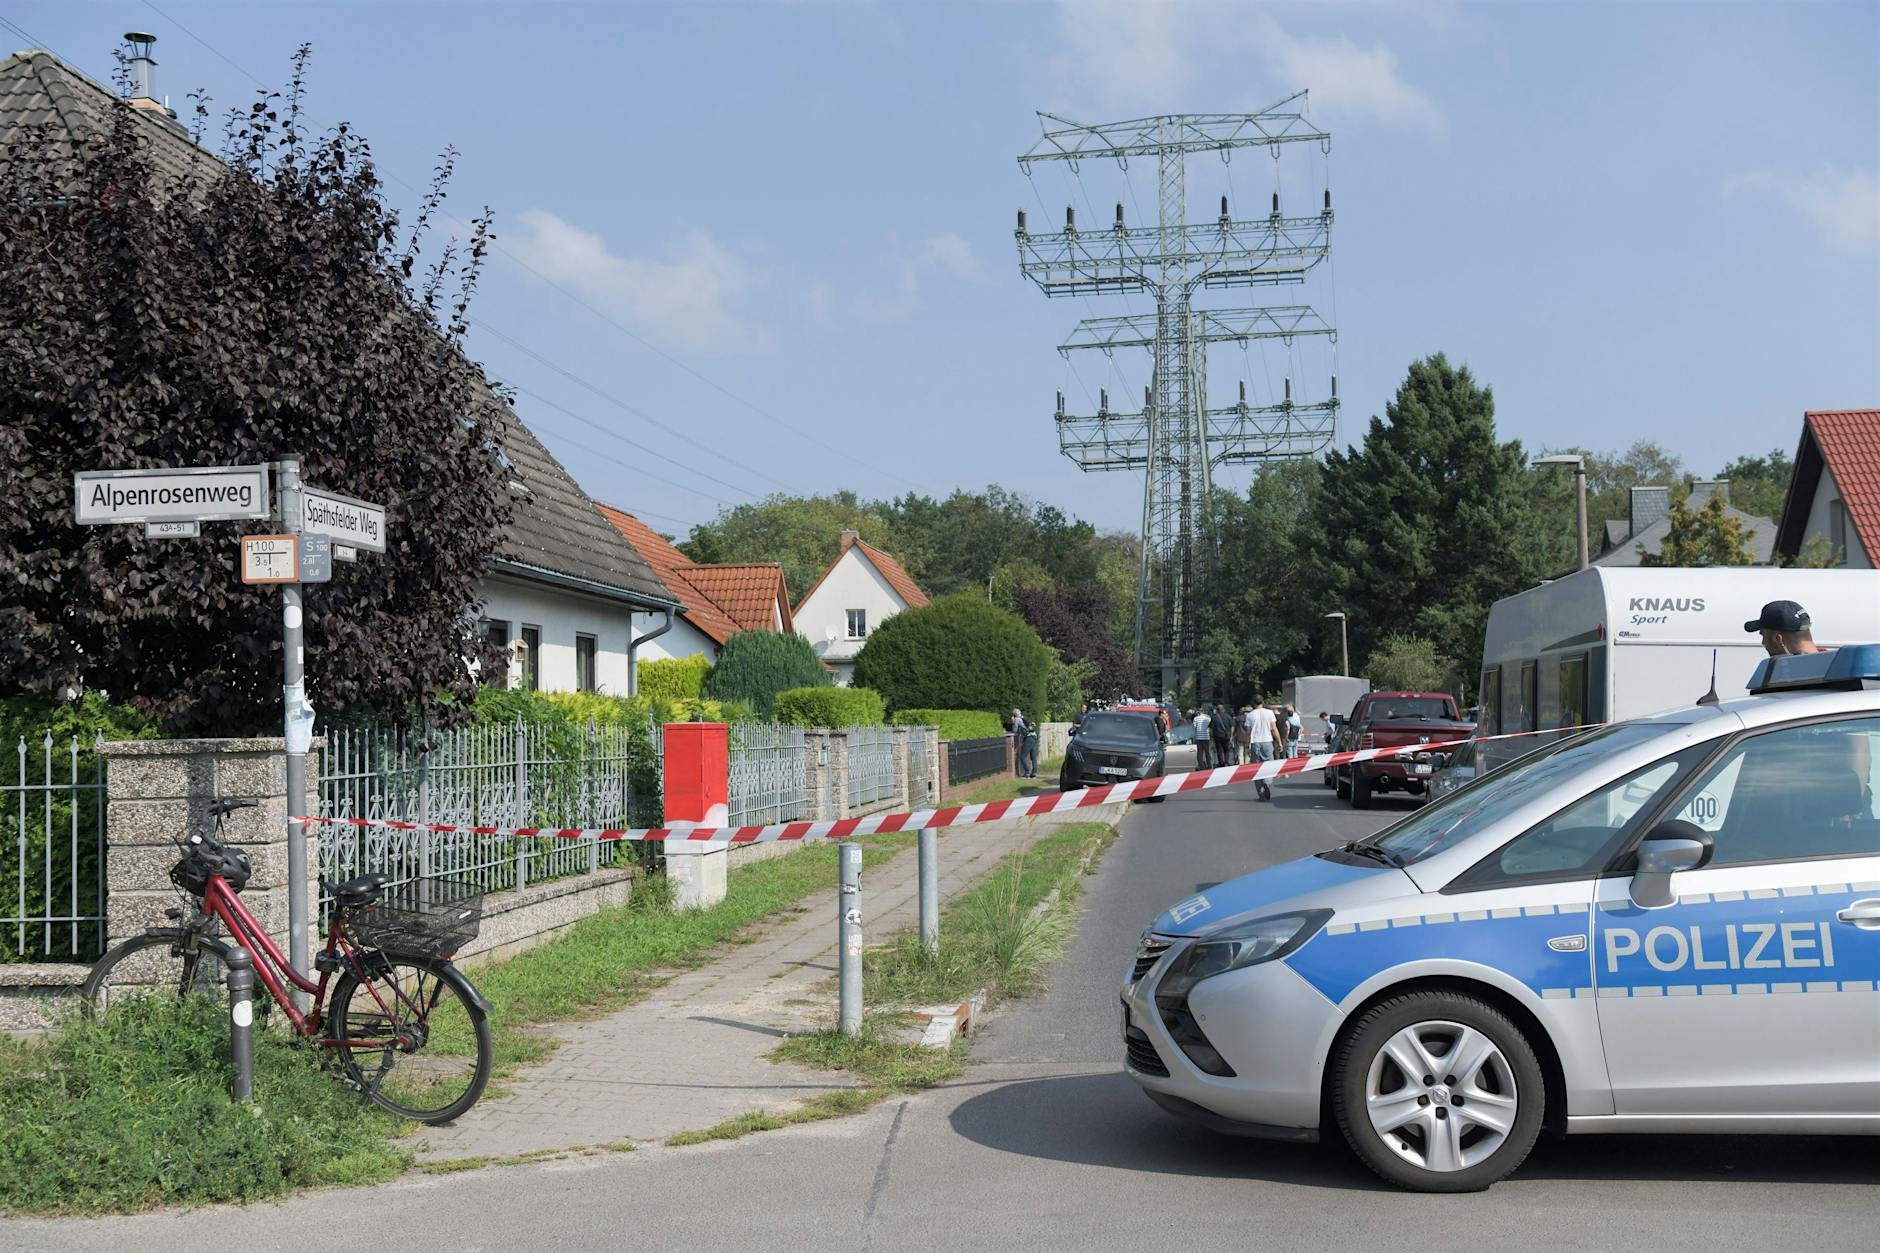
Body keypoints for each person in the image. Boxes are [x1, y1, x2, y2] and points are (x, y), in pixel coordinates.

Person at [1746, 600, 1824, 657]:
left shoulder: (1783, 675)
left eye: (1763, 636)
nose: (1763, 643)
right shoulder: (1832, 667)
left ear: (1778, 639)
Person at [1247, 697, 1282, 801]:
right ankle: (1267, 782)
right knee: (1269, 765)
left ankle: (1261, 793)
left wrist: (1246, 746)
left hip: (1255, 742)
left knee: (1256, 768)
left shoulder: (1250, 715)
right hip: (1267, 741)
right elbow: (1274, 728)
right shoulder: (1270, 713)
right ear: (1263, 702)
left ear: (1254, 703)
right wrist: (1279, 742)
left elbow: (1248, 733)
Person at [1210, 701, 1232, 769]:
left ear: (1217, 710)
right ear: (1223, 709)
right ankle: (1226, 762)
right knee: (1226, 749)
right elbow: (1232, 725)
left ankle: (1221, 763)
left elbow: (1211, 728)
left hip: (1217, 736)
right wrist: (1231, 735)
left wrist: (1211, 737)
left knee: (1219, 750)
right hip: (1226, 736)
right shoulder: (1228, 716)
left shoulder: (1214, 717)